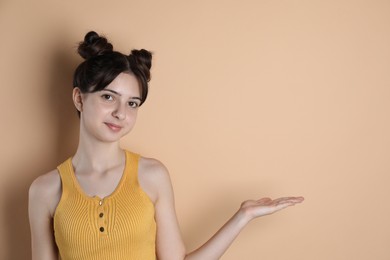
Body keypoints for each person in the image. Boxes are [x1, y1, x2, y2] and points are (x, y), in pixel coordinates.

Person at [28, 31, 304, 260]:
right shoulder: (45, 190)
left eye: (132, 103)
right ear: (79, 99)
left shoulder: (152, 175)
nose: (121, 113)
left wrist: (243, 215)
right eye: (108, 97)